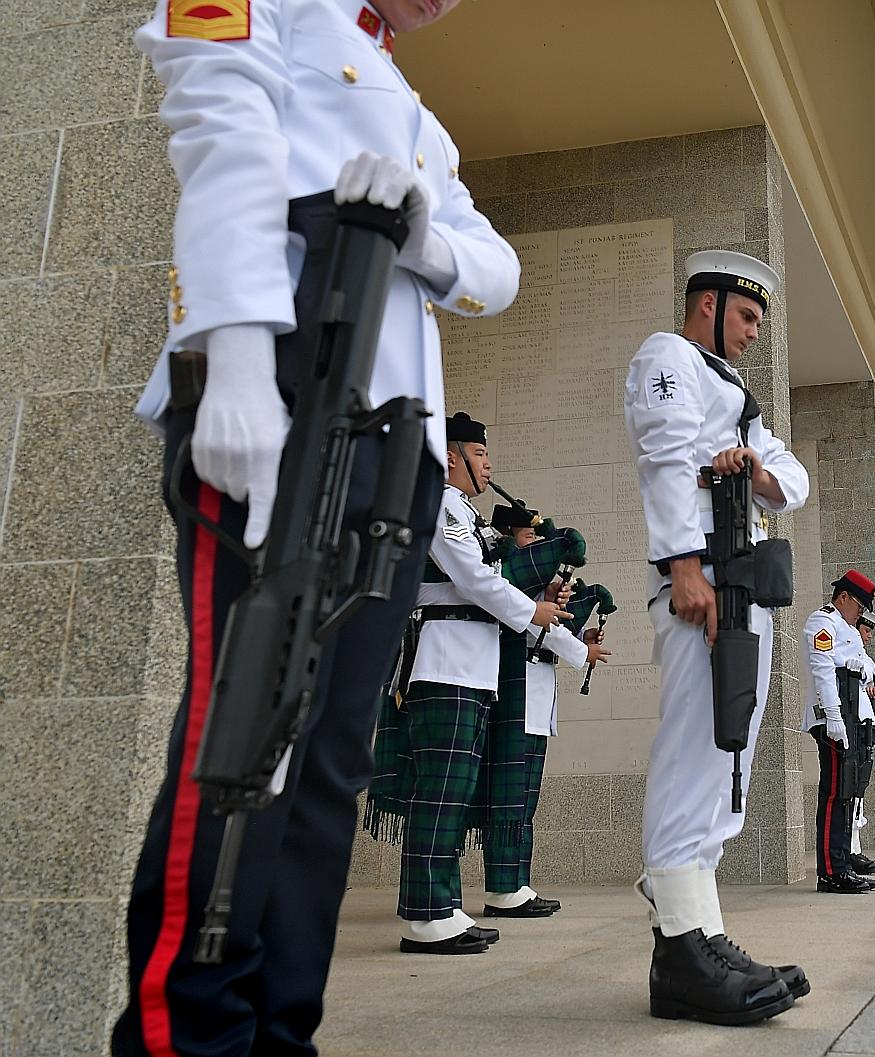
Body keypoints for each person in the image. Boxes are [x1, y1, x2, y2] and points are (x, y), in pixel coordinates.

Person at [115, 2, 520, 1052]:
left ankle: (282, 1028)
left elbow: (497, 268)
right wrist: (237, 350)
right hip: (286, 399)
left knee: (332, 763)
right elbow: (221, 133)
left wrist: (427, 230)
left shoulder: (423, 120)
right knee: (247, 735)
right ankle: (189, 1036)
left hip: (394, 450)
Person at [623, 250, 810, 1025]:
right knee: (695, 752)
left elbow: (791, 477)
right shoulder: (670, 358)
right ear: (709, 302)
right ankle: (680, 944)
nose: (753, 332)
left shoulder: (739, 394)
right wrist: (684, 565)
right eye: (746, 316)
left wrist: (755, 469)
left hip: (742, 580)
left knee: (727, 755)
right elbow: (666, 459)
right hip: (704, 578)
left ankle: (700, 935)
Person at [389, 415, 571, 954]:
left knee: (456, 789)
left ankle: (440, 907)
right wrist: (532, 611)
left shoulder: (466, 515)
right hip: (445, 662)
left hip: (471, 669)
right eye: (476, 452)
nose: (487, 463)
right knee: (441, 791)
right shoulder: (443, 505)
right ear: (450, 457)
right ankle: (425, 914)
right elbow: (473, 578)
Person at [485, 501, 610, 920]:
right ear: (508, 539)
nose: (536, 545)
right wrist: (582, 650)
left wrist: (579, 630)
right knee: (512, 799)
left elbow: (550, 628)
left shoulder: (531, 587)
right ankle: (505, 887)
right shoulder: (505, 578)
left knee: (525, 800)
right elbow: (537, 628)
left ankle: (516, 883)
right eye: (528, 537)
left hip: (536, 692)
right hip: (515, 691)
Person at [801, 571, 875, 894]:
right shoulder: (823, 621)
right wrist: (832, 716)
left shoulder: (847, 628)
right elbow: (822, 669)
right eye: (859, 606)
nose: (860, 614)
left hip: (853, 717)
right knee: (835, 795)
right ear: (844, 597)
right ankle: (831, 872)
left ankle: (843, 862)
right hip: (834, 719)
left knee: (846, 794)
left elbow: (866, 672)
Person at [849, 612, 875, 876]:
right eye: (866, 631)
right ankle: (850, 852)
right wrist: (866, 689)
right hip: (850, 724)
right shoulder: (847, 652)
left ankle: (855, 849)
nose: (869, 636)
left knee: (858, 792)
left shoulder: (867, 660)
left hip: (865, 726)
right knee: (849, 789)